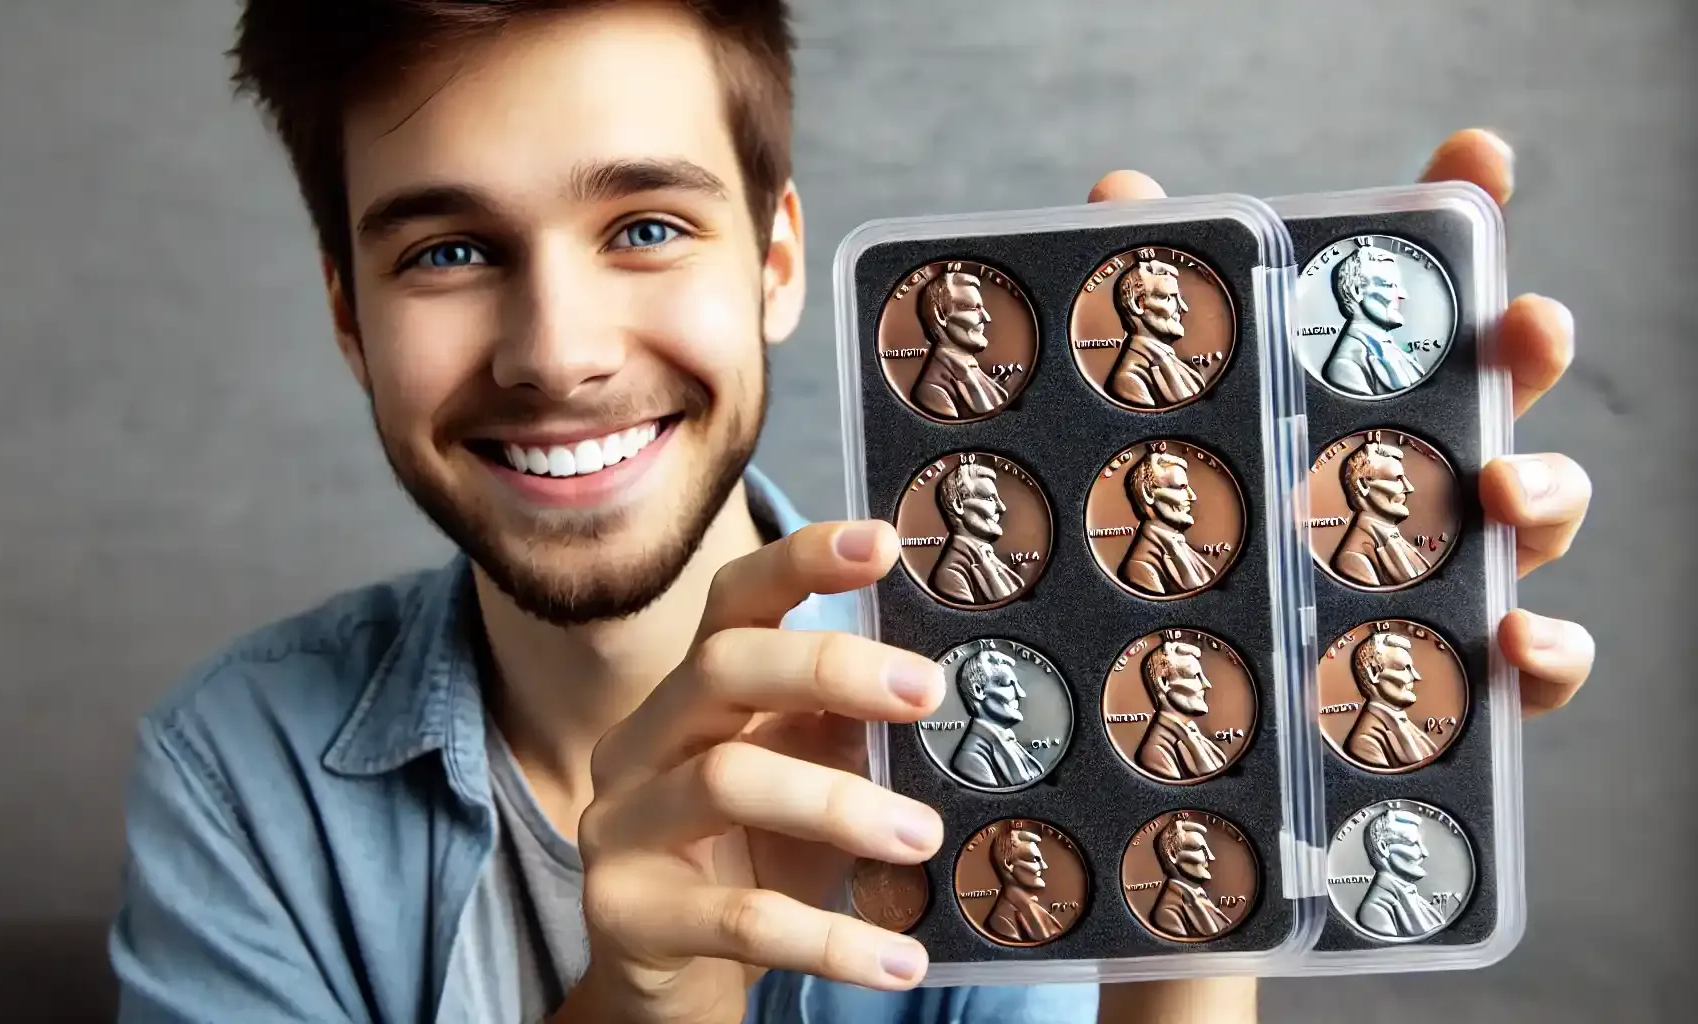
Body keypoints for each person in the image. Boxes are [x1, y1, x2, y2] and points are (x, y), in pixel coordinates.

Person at [103, 0, 1596, 1020]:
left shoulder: (1006, 715)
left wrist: (1217, 823)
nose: (557, 348)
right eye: (444, 253)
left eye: (644, 226)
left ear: (774, 259)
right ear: (349, 316)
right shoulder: (242, 777)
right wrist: (647, 998)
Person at [1323, 244, 1428, 396]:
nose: (1403, 295)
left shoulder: (1404, 356)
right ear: (1357, 290)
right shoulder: (1346, 366)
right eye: (1389, 285)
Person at [1331, 439, 1434, 587]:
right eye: (1397, 478)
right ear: (1363, 484)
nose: (1409, 487)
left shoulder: (1398, 541)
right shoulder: (1353, 558)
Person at [1107, 259, 1208, 408]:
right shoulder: (1129, 379)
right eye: (1167, 297)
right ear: (1137, 304)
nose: (1184, 308)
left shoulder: (1177, 364)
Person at [910, 269, 1009, 419]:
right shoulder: (932, 390)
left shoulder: (974, 370)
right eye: (973, 308)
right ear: (940, 314)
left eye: (982, 308)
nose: (987, 318)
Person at [1119, 451, 1216, 596]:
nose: (1192, 497)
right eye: (1180, 487)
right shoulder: (1141, 567)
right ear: (1148, 493)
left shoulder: (1186, 550)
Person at [927, 461, 1024, 605]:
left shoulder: (992, 560)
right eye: (989, 498)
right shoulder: (951, 574)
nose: (1002, 508)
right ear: (958, 505)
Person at [947, 649, 1045, 788]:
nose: (1021, 694)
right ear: (978, 691)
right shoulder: (971, 758)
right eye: (1007, 683)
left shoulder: (1008, 743)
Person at [1134, 640, 1230, 781]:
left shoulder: (1197, 737)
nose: (1206, 684)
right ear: (1164, 683)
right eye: (1193, 676)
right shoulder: (1156, 752)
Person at [1344, 632, 1439, 770]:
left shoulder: (1409, 726)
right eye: (1404, 668)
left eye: (1412, 668)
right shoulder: (1365, 741)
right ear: (1373, 674)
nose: (1416, 676)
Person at [1354, 808, 1447, 939]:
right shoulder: (1375, 910)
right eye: (1412, 844)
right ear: (1383, 847)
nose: (1425, 853)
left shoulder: (1418, 900)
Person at [1149, 819, 1234, 939]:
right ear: (1173, 854)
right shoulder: (1168, 913)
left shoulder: (1199, 898)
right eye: (1199, 849)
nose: (1211, 857)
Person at [984, 827, 1065, 944]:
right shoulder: (1001, 921)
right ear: (1008, 864)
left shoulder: (1037, 910)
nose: (1044, 866)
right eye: (1035, 859)